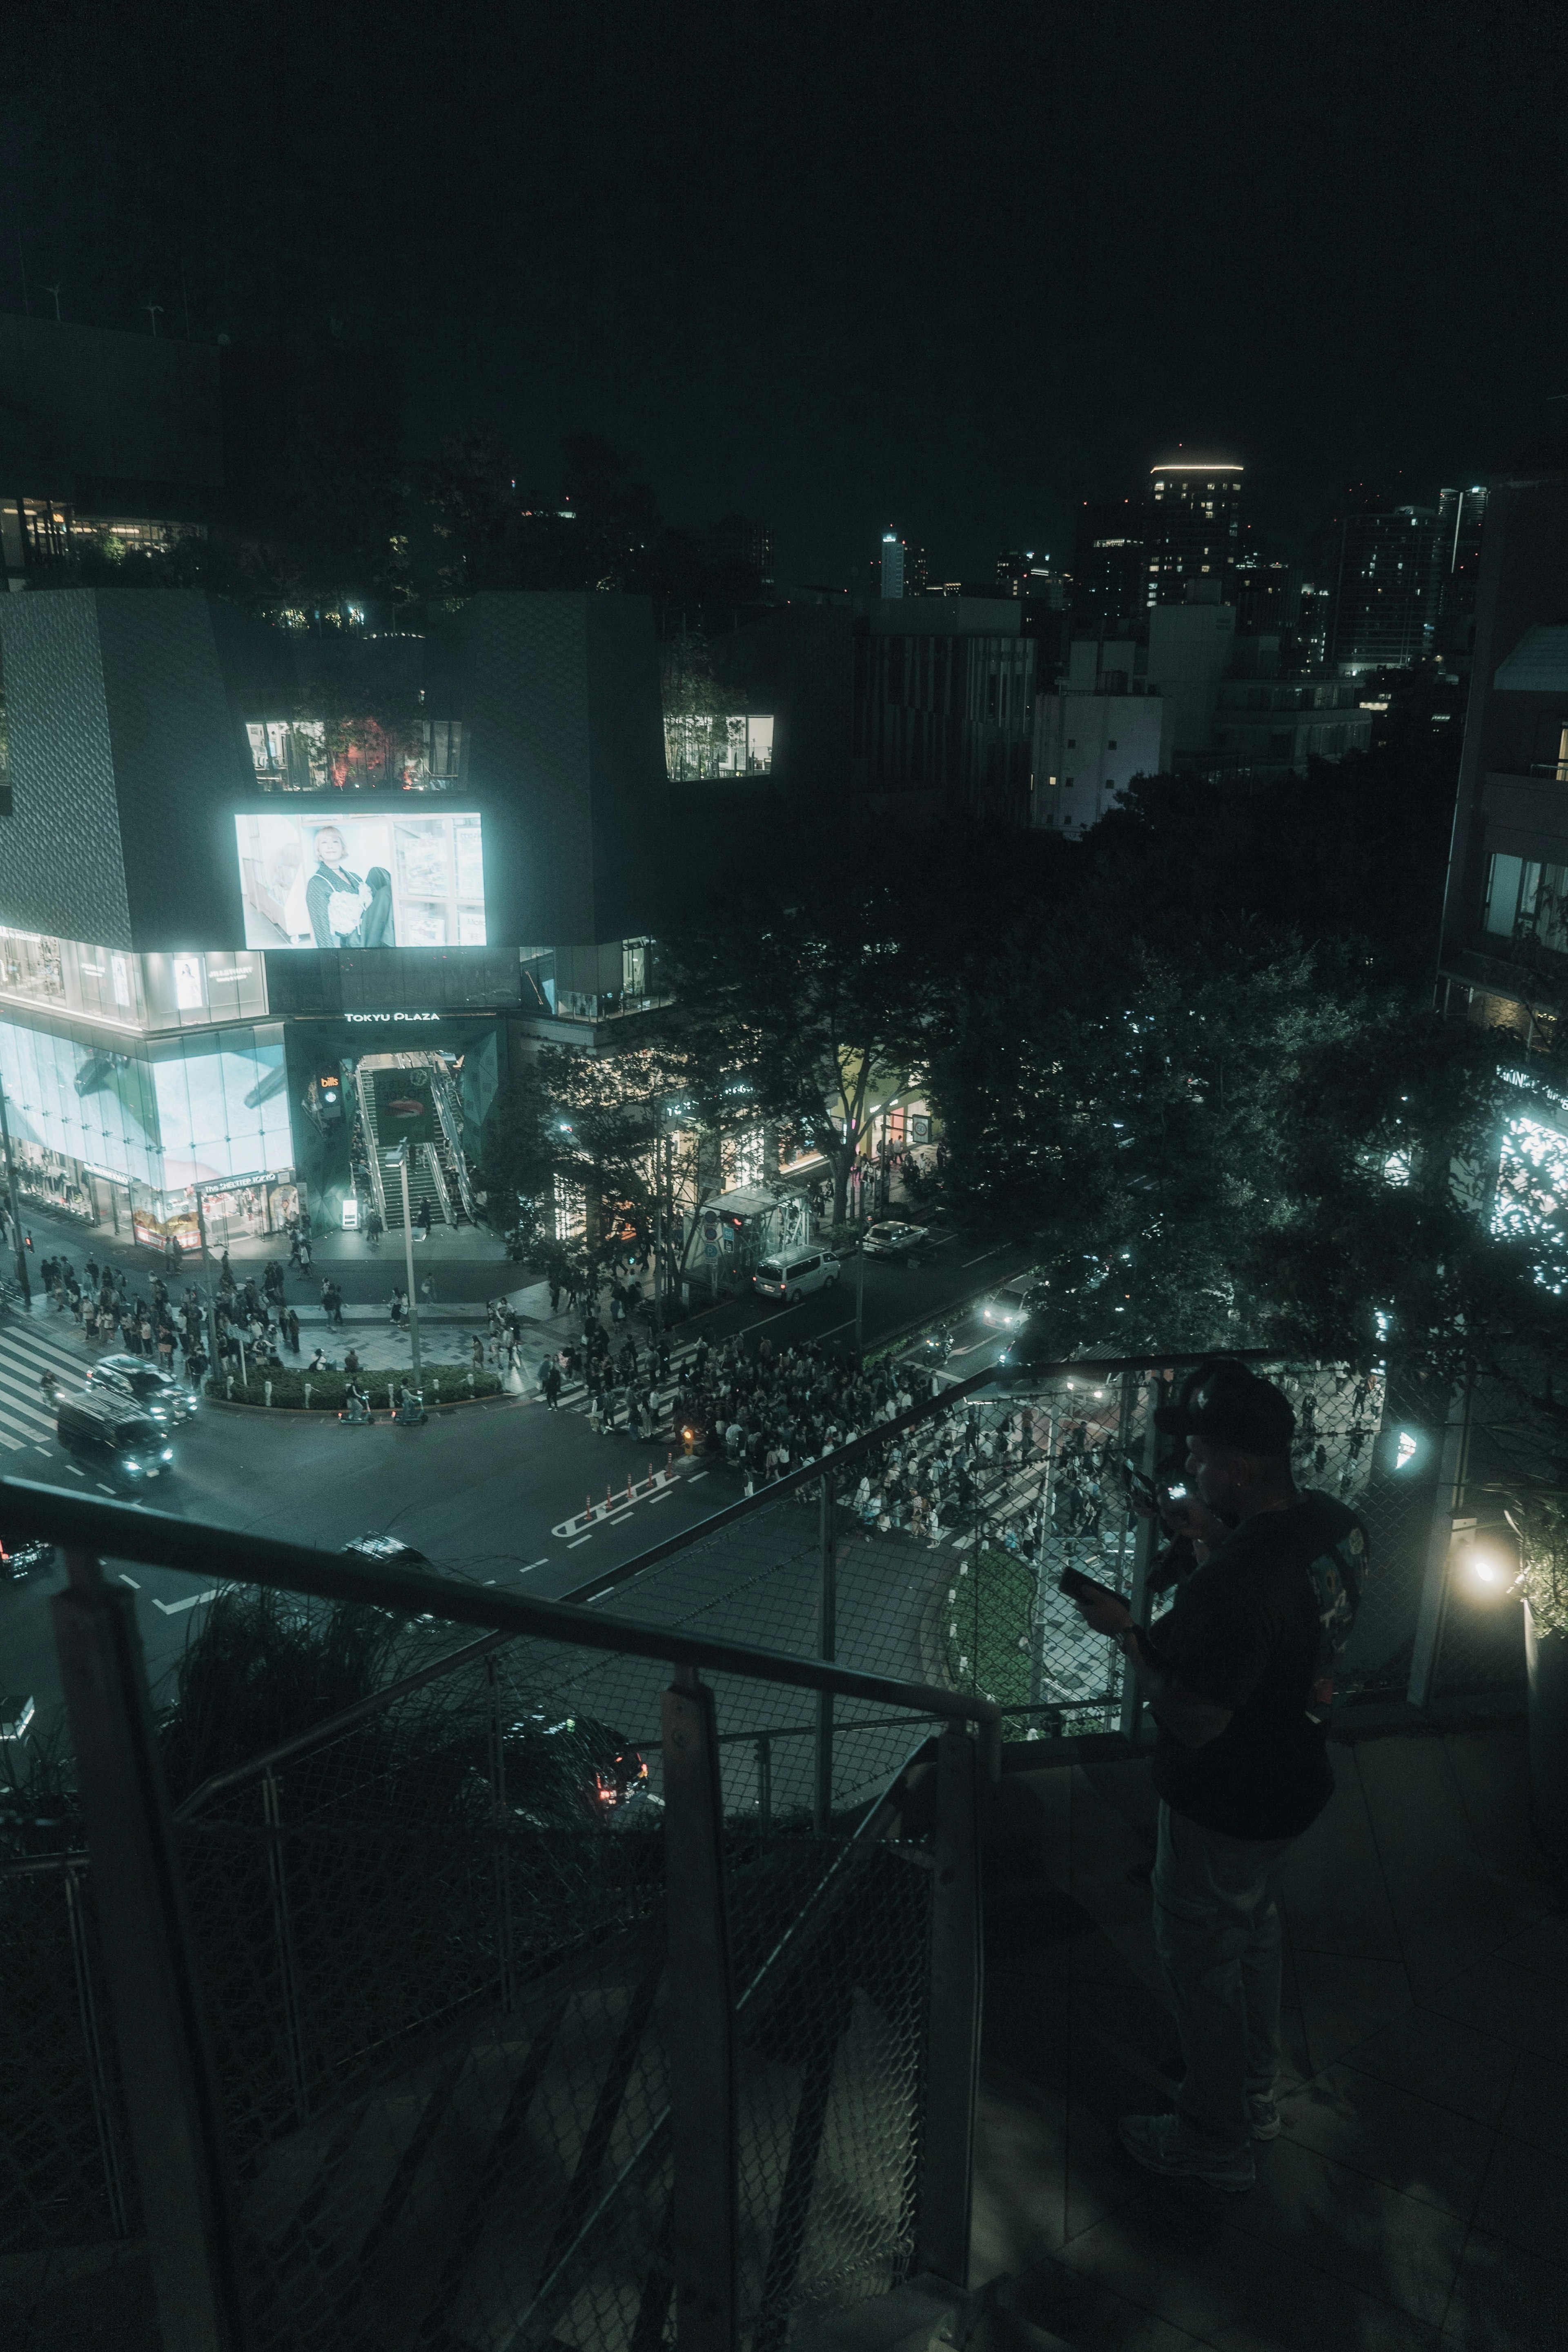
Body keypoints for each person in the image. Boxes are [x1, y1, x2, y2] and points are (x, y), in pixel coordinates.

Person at [1067, 1359, 1336, 2193]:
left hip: (1226, 1801)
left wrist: (1127, 1633)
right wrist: (1211, 1536)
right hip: (1292, 1781)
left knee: (1200, 1965)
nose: (1188, 1467)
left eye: (1202, 1456)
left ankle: (1215, 2136)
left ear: (1240, 1469)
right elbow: (1280, 1621)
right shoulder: (1322, 1528)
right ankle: (1252, 2094)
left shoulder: (1235, 1588)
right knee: (1252, 1936)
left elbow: (1191, 1716)